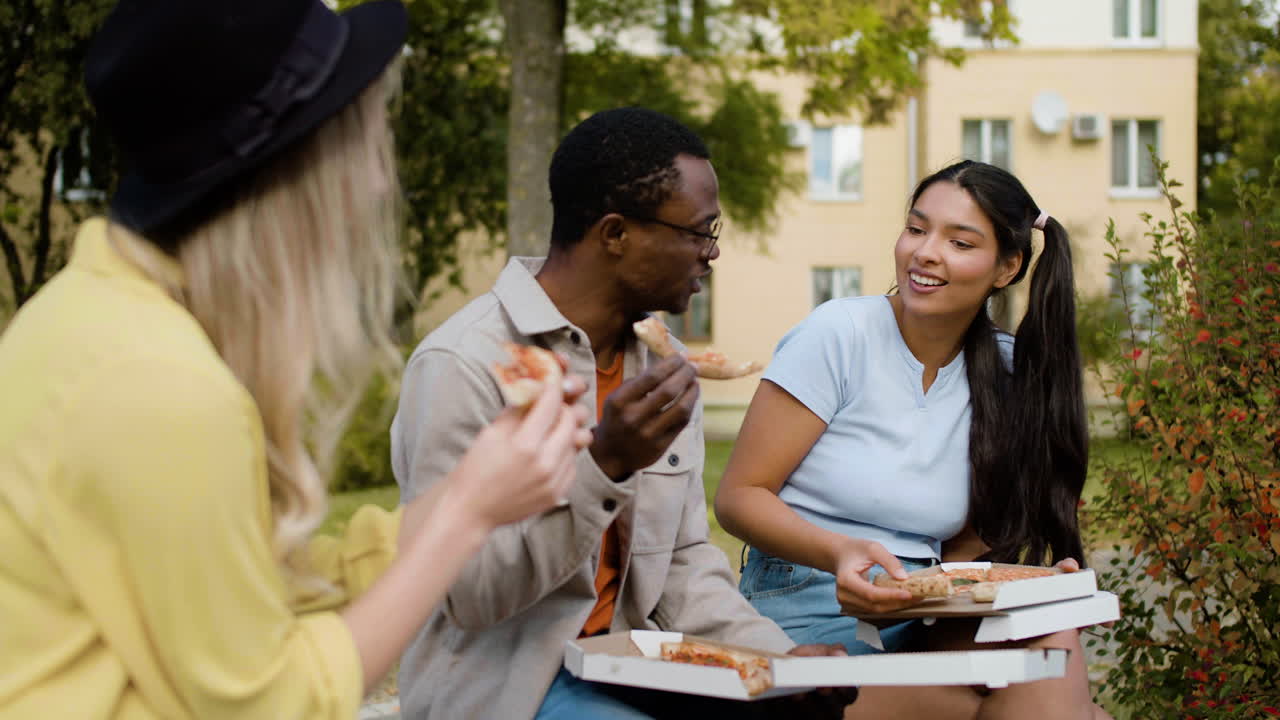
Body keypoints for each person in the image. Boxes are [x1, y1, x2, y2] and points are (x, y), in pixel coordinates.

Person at [0, 2, 589, 718]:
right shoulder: (159, 386)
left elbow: (252, 587)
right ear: (294, 172)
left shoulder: (89, 312)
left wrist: (475, 487)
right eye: (364, 149)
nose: (378, 186)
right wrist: (467, 514)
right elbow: (270, 705)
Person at [392, 107, 852, 720]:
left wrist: (778, 661)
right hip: (507, 691)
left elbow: (683, 564)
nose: (712, 253)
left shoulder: (660, 368)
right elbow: (469, 595)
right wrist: (604, 464)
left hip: (635, 672)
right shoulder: (465, 363)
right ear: (615, 234)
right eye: (699, 231)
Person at [715, 159, 1112, 719]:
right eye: (916, 229)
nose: (925, 252)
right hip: (807, 603)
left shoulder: (1005, 372)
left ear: (1007, 268)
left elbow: (968, 545)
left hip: (923, 613)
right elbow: (739, 497)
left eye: (959, 242)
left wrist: (1030, 589)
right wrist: (839, 554)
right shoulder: (839, 334)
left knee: (1051, 638)